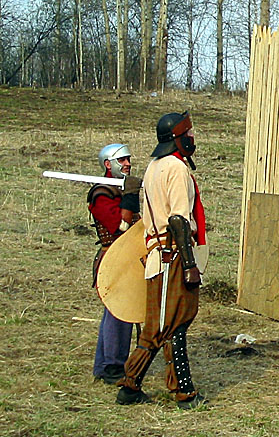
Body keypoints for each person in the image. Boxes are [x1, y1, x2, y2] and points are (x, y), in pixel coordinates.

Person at [116, 111, 206, 409]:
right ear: (177, 138)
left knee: (157, 325)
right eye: (188, 134)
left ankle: (130, 385)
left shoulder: (154, 167)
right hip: (173, 255)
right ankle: (184, 392)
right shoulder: (176, 168)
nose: (192, 138)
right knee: (175, 323)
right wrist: (190, 265)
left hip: (159, 254)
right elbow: (179, 219)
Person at [88, 144, 142, 384]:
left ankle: (105, 365)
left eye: (128, 159)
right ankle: (112, 366)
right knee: (118, 312)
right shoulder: (101, 194)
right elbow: (121, 227)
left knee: (117, 312)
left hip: (126, 256)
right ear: (108, 164)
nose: (127, 164)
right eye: (122, 160)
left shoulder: (120, 188)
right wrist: (130, 197)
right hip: (112, 258)